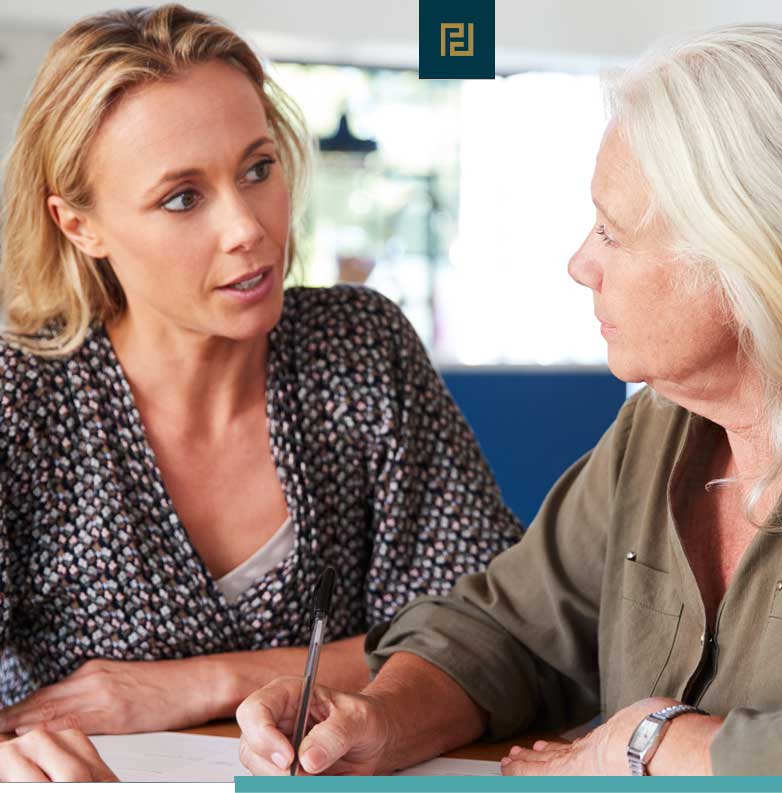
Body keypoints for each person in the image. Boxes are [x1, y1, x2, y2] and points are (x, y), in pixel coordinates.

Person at [238, 23, 782, 776]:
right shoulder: (659, 426)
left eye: (613, 232)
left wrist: (647, 738)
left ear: (752, 252)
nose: (580, 263)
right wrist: (383, 714)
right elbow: (510, 633)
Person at [0, 4, 523, 782]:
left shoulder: (359, 348)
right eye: (183, 197)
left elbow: (498, 629)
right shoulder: (22, 398)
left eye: (258, 168)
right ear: (80, 225)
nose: (248, 226)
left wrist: (198, 683)